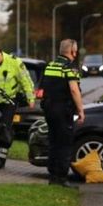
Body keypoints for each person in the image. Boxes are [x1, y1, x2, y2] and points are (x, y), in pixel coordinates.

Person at [40, 39, 86, 187]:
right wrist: (80, 110)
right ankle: (62, 177)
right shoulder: (69, 68)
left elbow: (41, 89)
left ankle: (52, 175)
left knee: (53, 141)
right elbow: (74, 90)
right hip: (63, 110)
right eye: (76, 50)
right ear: (72, 51)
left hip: (49, 109)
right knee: (65, 143)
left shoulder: (50, 66)